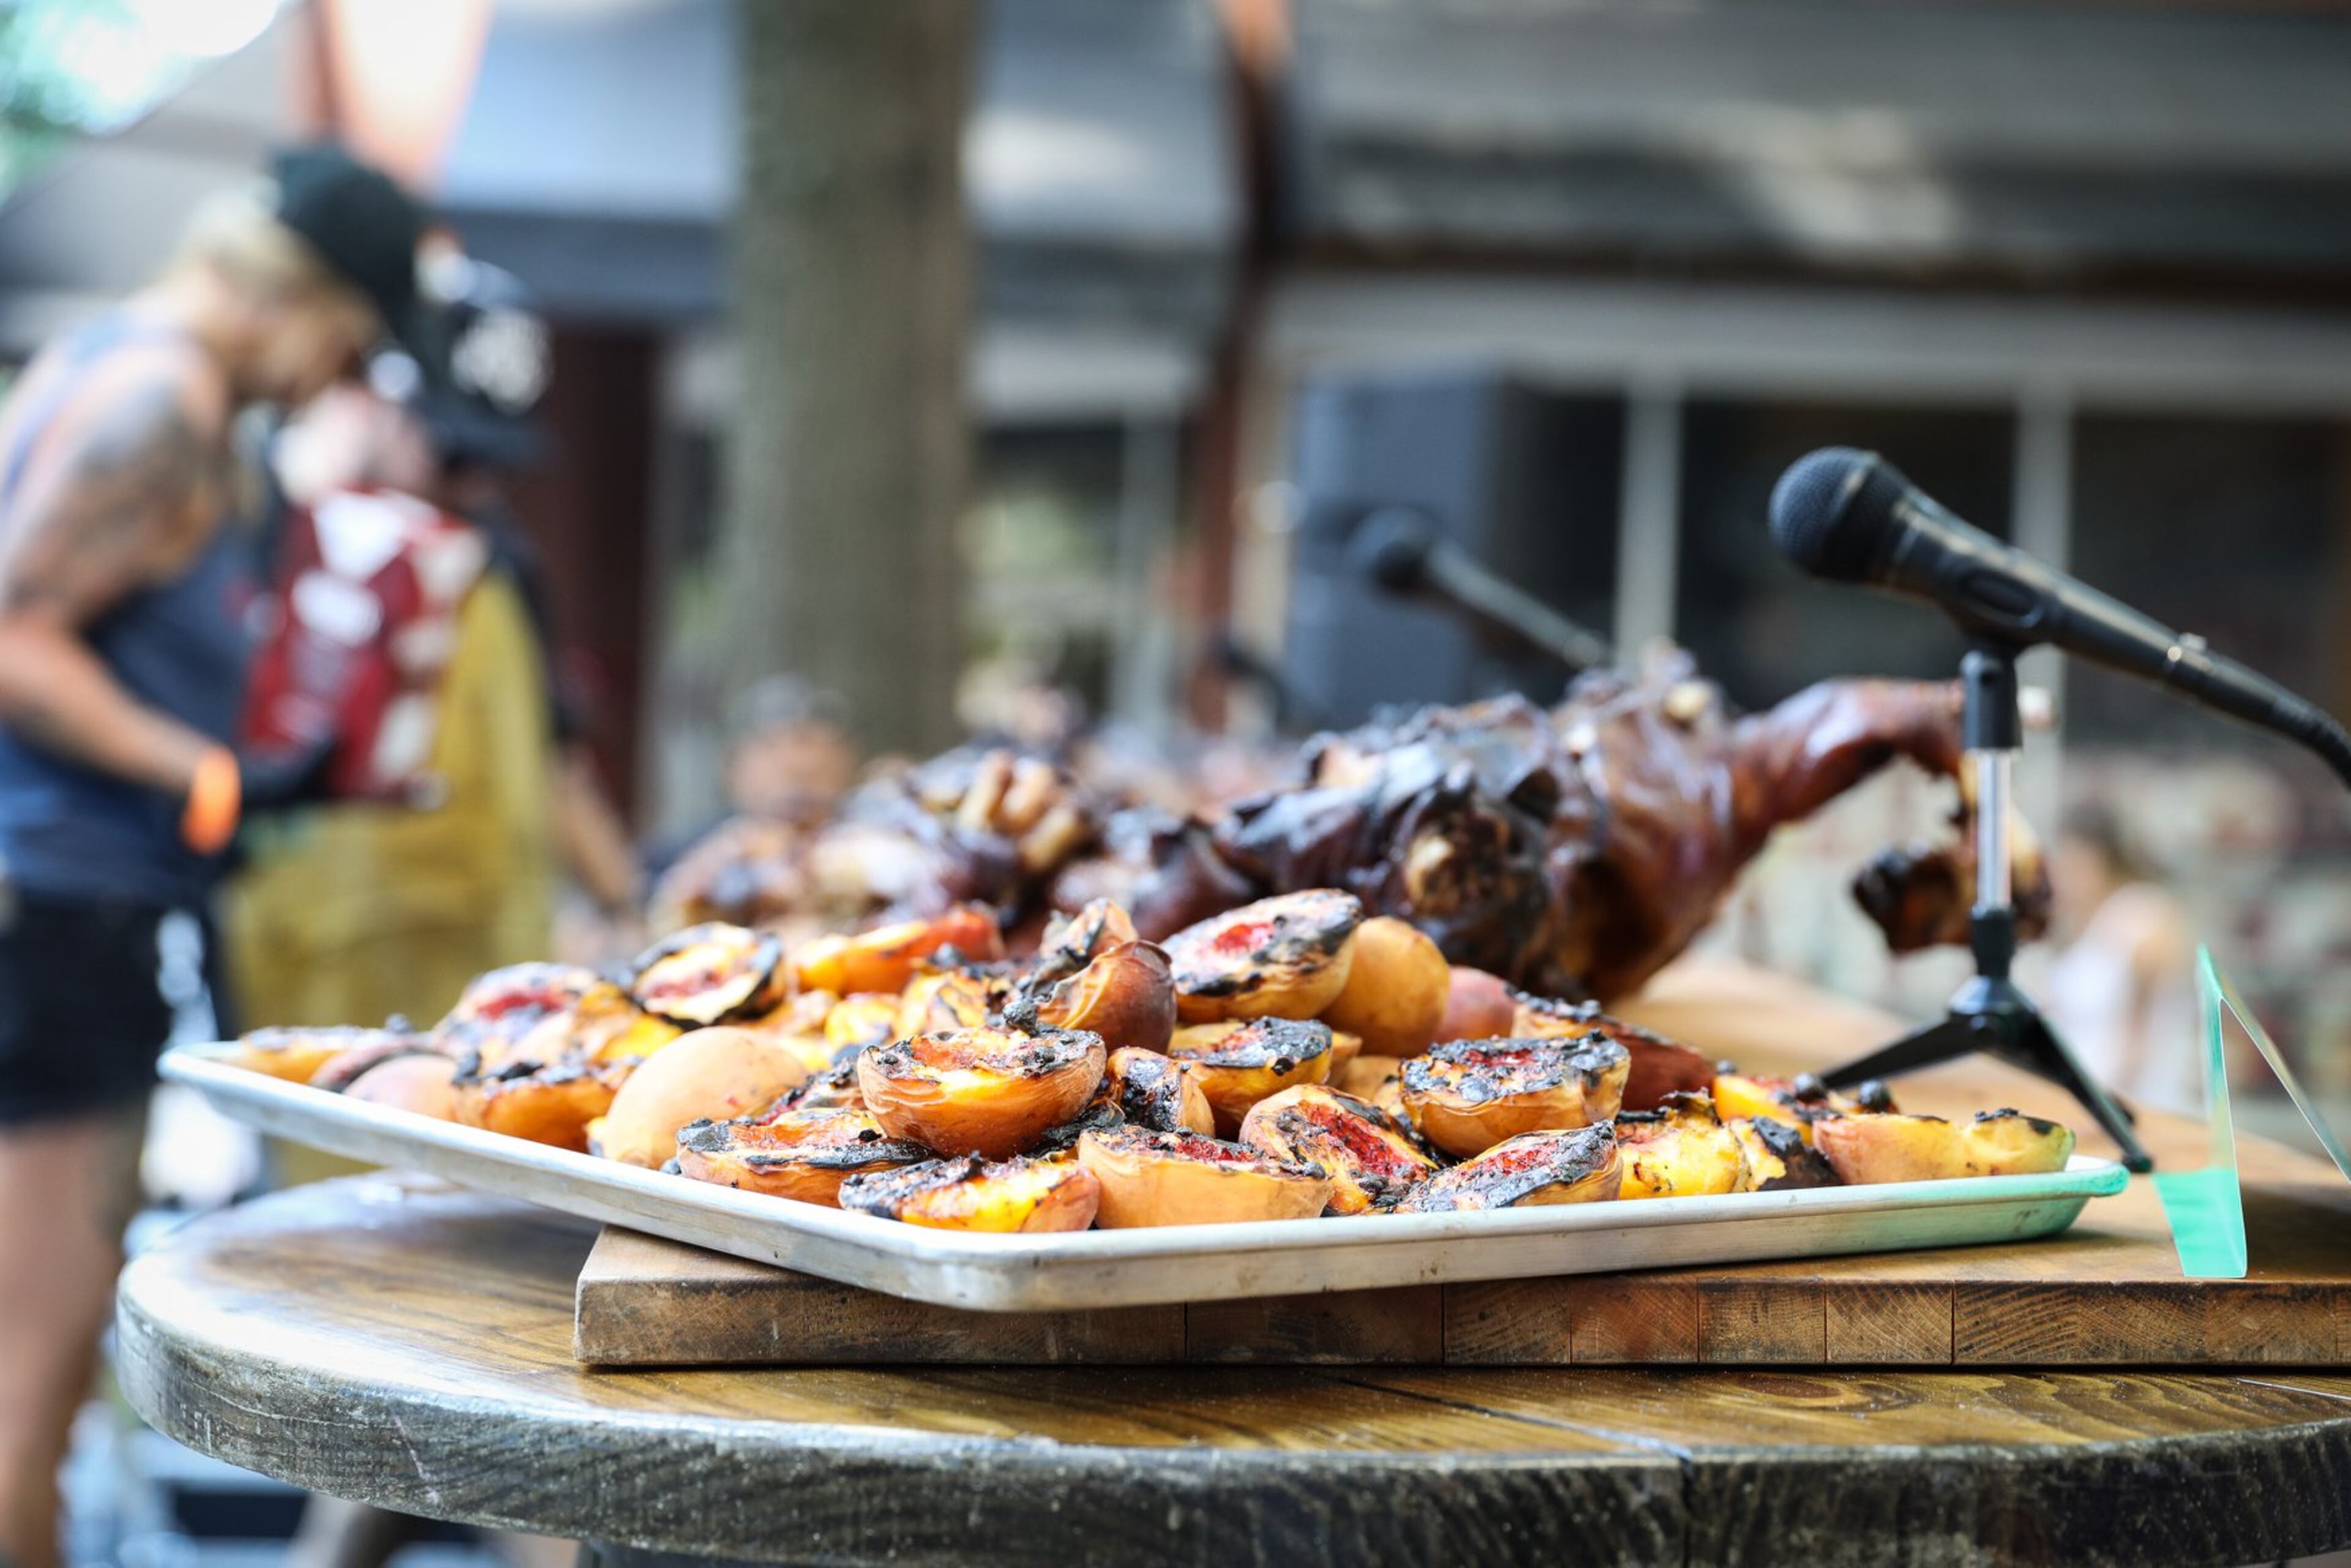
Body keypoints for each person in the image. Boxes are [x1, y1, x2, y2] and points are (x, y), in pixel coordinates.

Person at [0, 147, 429, 1568]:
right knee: (37, 1339)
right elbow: (12, 628)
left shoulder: (107, 358)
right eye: (349, 344)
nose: (337, 379)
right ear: (296, 299)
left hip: (73, 903)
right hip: (53, 908)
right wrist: (204, 771)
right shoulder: (165, 398)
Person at [229, 255, 637, 1034]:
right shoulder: (268, 521)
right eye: (452, 451)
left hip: (464, 973)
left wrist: (622, 906)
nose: (472, 484)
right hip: (289, 955)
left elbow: (557, 759)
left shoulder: (500, 563)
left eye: (493, 461)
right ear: (376, 398)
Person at [2039, 803, 2202, 1116]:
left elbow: (2141, 1033)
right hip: (2085, 1101)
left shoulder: (2145, 915)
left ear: (2101, 859)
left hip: (2136, 1106)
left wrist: (2111, 1103)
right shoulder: (2085, 924)